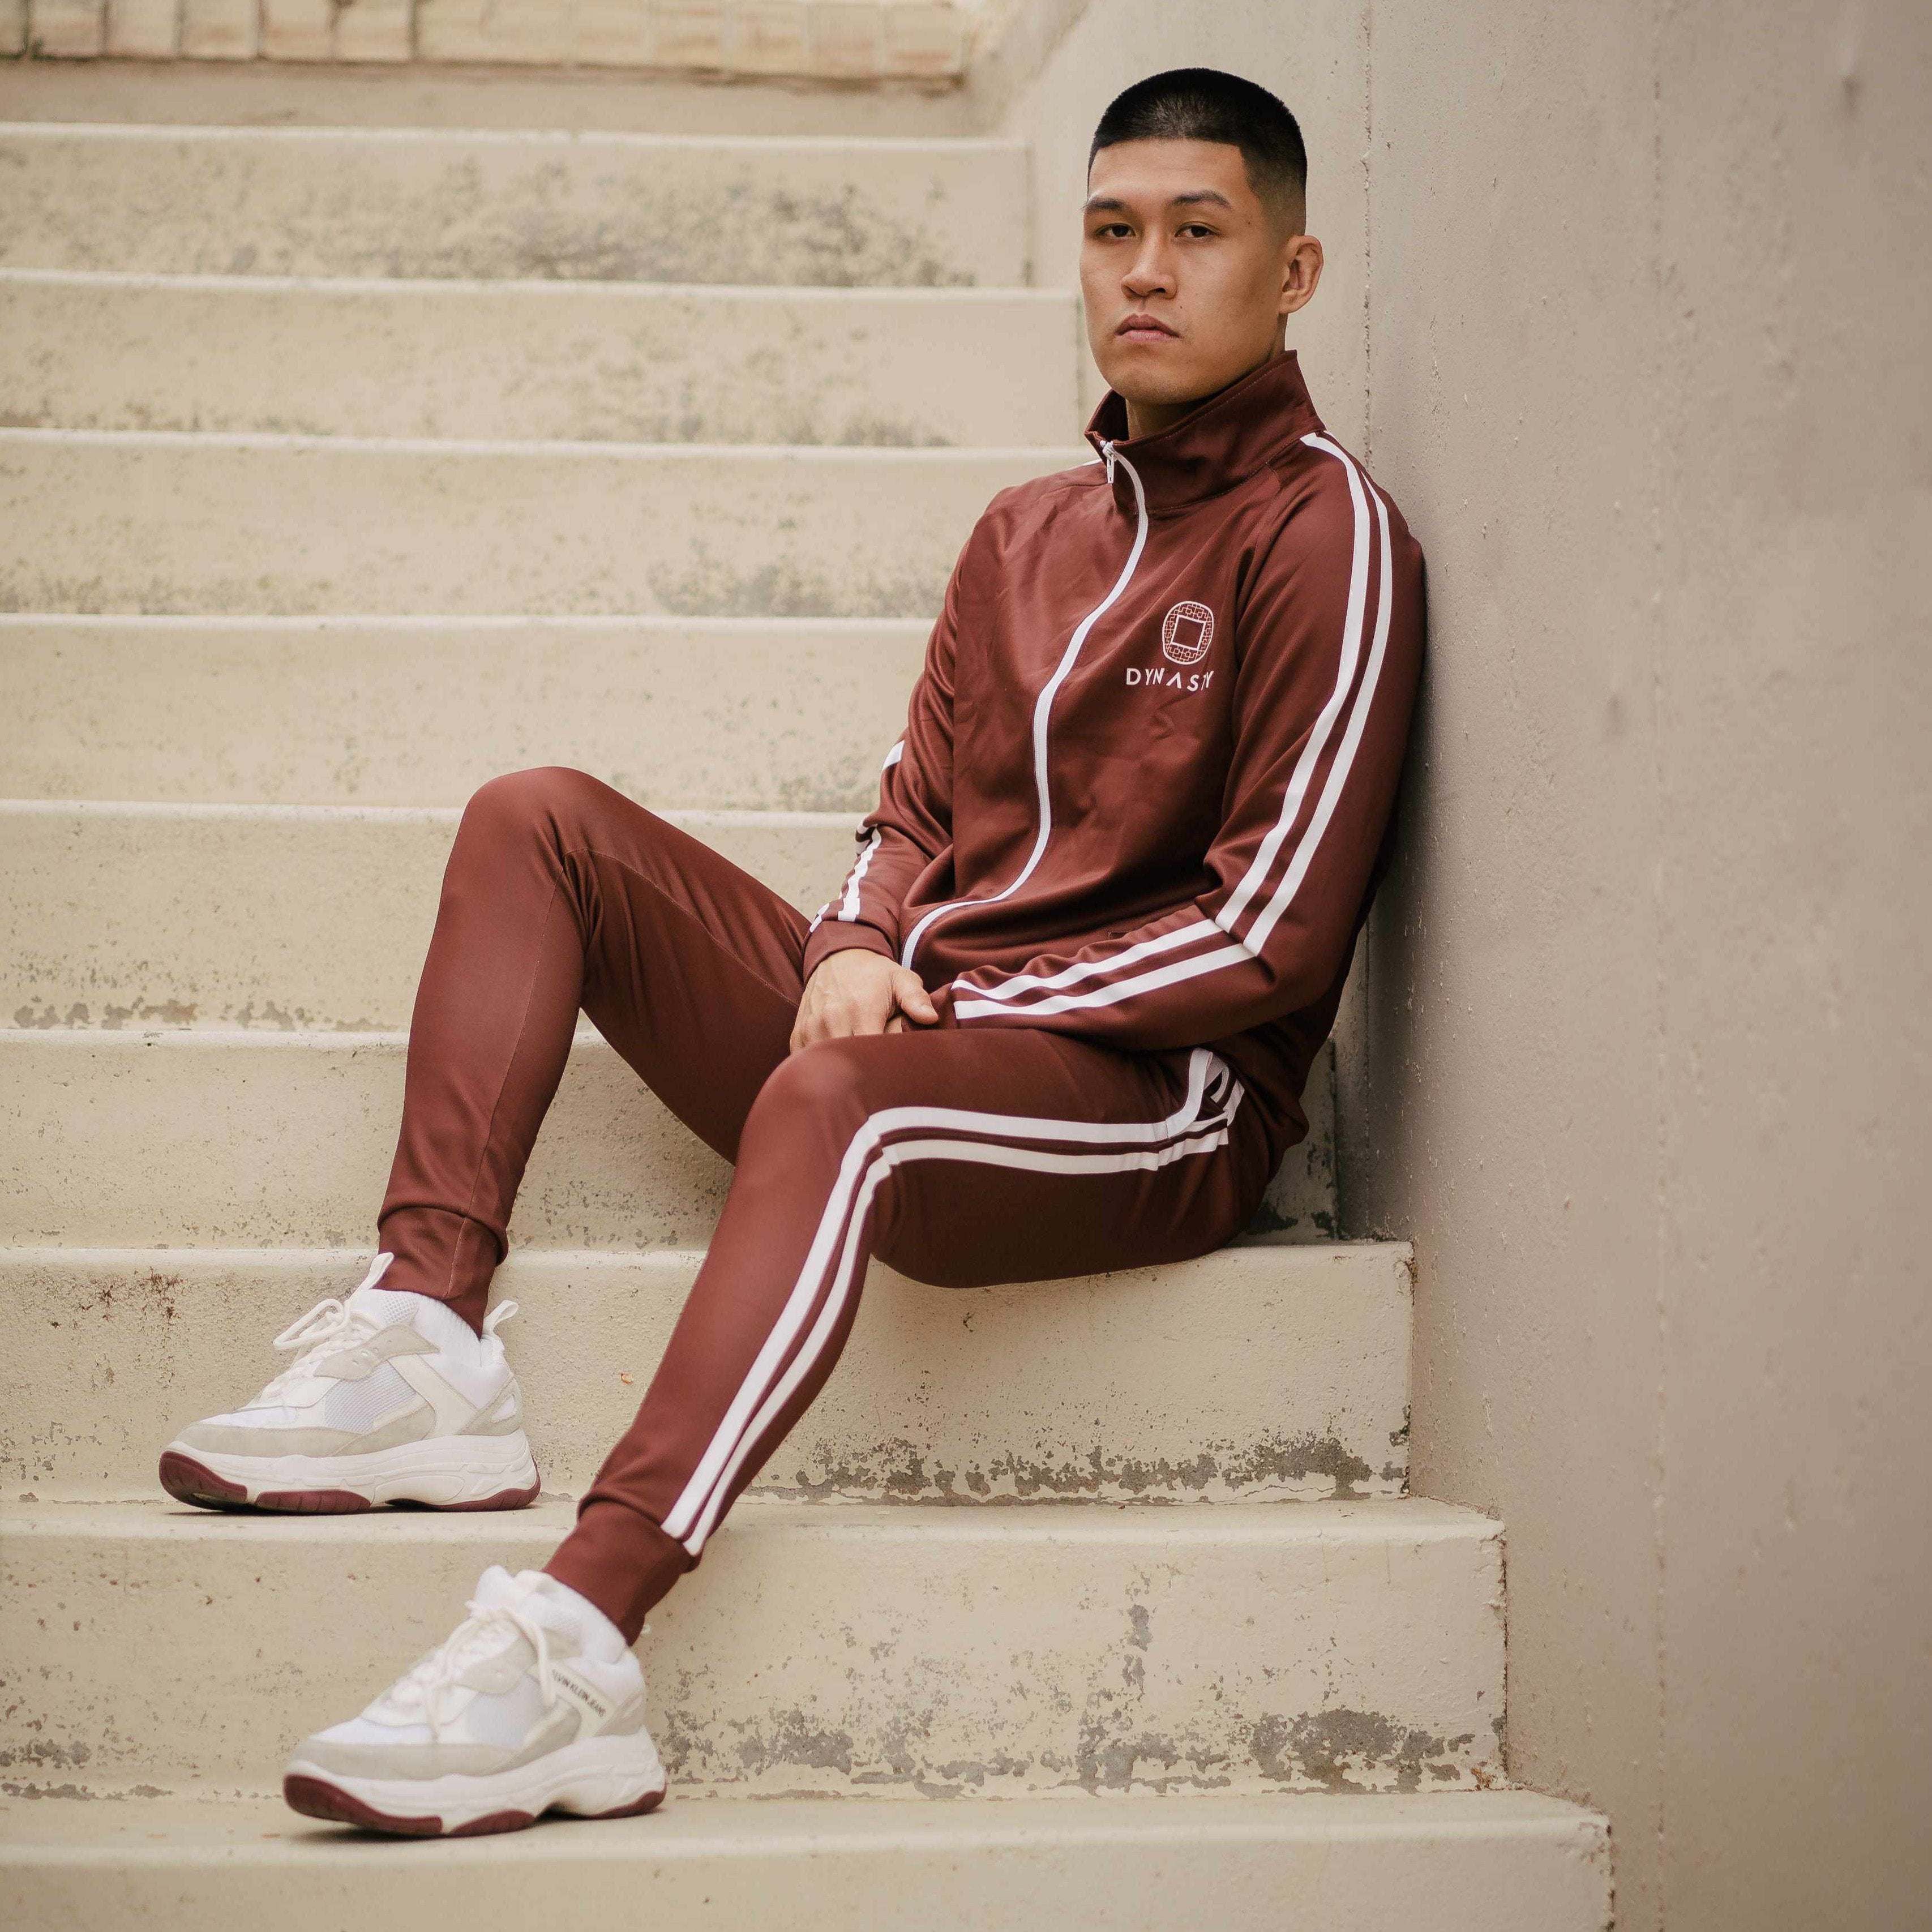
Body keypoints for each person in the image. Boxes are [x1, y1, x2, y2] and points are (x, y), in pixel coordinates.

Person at [159, 66, 1425, 1837]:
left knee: (842, 1104)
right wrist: (852, 943)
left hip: (1161, 1101)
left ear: (1291, 273)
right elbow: (913, 807)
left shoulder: (1326, 532)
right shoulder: (1023, 535)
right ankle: (429, 1329)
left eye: (1196, 232)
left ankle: (575, 1647)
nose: (1146, 270)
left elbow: (1270, 931)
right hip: (931, 1027)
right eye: (1112, 229)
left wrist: (944, 1001)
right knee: (539, 820)